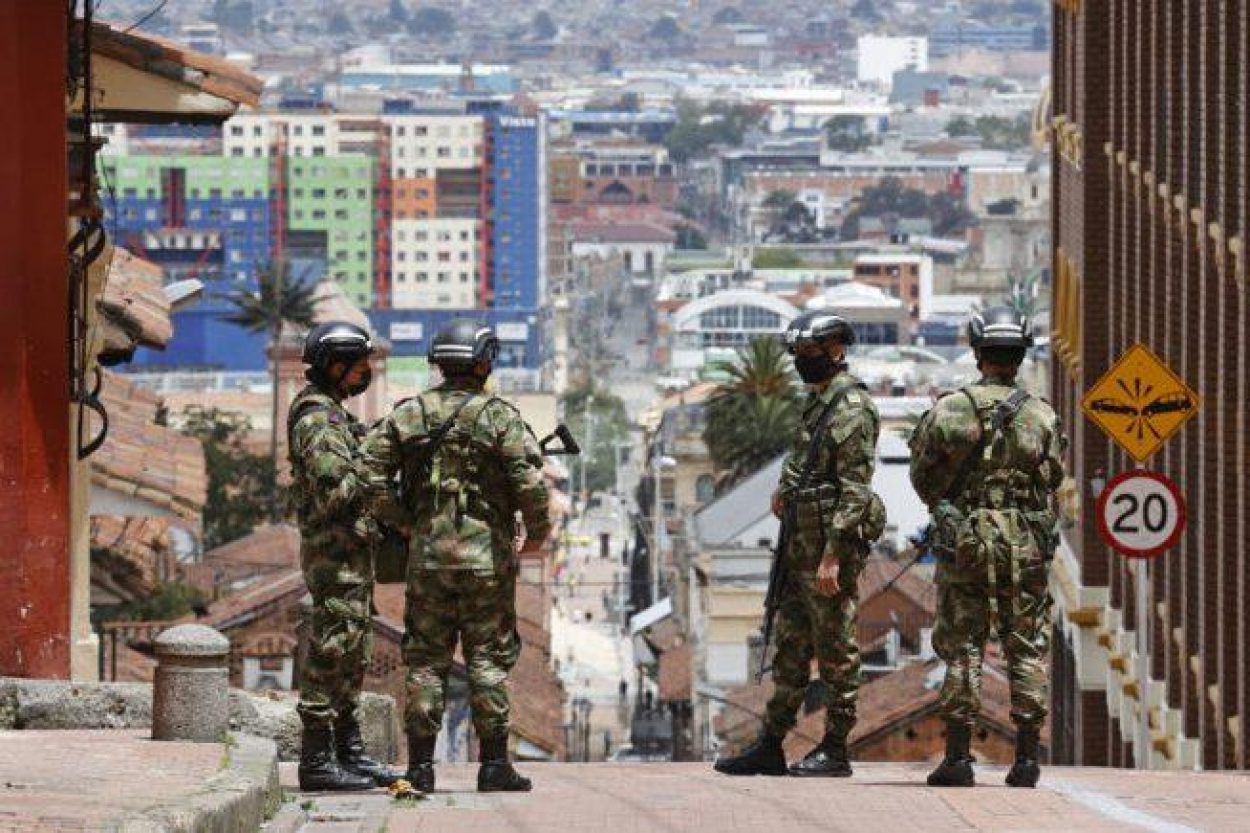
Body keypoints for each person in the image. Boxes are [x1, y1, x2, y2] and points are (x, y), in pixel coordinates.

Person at [360, 319, 551, 793]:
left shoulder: (410, 415)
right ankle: (493, 766)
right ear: (484, 362)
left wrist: (403, 519)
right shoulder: (501, 418)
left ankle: (421, 767)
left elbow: (368, 473)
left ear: (439, 363)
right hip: (487, 560)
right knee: (488, 659)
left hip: (427, 560)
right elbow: (530, 485)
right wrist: (538, 535)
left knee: (426, 661)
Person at [715, 312, 884, 778]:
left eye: (810, 353)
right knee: (789, 647)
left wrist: (833, 555)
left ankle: (835, 748)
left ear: (836, 350)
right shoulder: (817, 402)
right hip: (799, 547)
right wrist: (785, 492)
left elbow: (855, 489)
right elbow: (808, 462)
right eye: (798, 355)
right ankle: (771, 743)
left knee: (835, 651)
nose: (802, 362)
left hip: (827, 553)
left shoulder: (850, 407)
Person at [908, 307, 1067, 788]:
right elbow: (1053, 477)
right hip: (1024, 541)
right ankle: (1025, 759)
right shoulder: (1042, 414)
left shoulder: (949, 409)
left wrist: (958, 506)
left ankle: (958, 757)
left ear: (978, 352)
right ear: (1020, 355)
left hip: (968, 541)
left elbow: (923, 476)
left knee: (963, 644)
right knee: (1025, 644)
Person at [288, 321, 397, 791]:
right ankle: (316, 760)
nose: (366, 372)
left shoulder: (336, 416)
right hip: (334, 555)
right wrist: (378, 457)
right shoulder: (318, 420)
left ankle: (347, 752)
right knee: (331, 650)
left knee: (353, 652)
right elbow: (335, 491)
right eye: (360, 365)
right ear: (336, 367)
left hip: (352, 555)